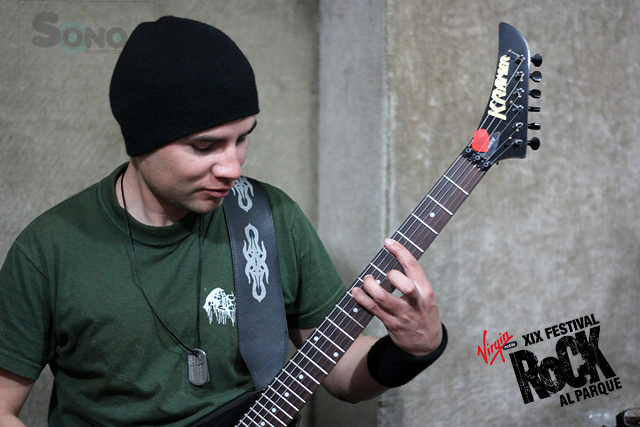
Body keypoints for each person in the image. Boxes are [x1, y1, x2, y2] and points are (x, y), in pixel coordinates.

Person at [0, 16, 446, 427]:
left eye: (242, 139)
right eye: (205, 147)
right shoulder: (49, 249)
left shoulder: (271, 220)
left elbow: (340, 372)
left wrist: (412, 349)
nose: (232, 167)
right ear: (141, 140)